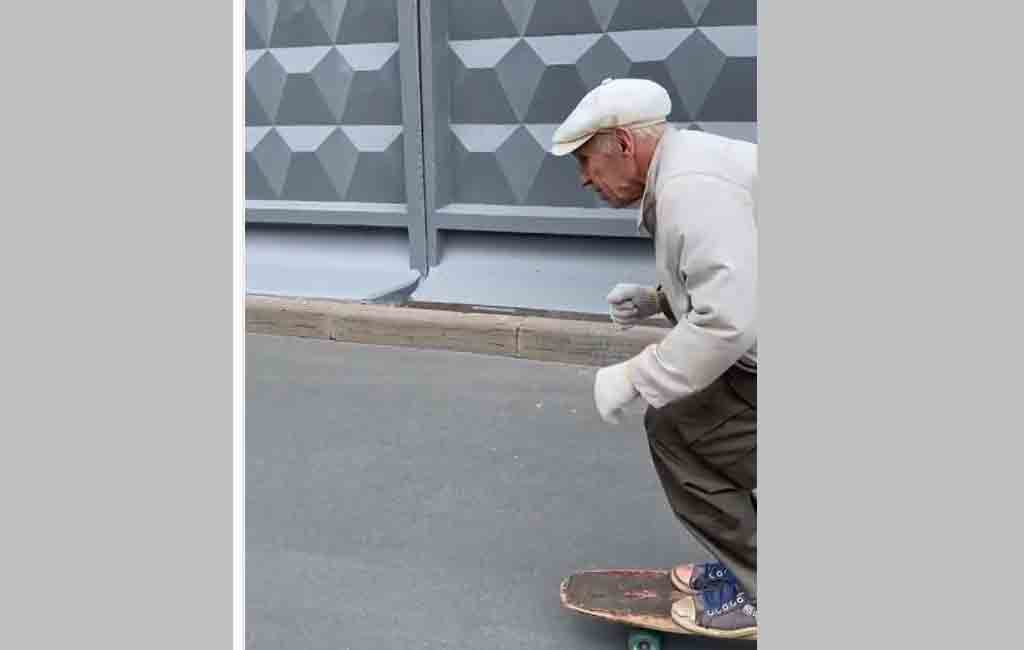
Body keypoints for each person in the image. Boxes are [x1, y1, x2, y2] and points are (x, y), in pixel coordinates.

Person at [550, 78, 758, 639]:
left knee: (687, 429)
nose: (584, 178)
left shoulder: (692, 188)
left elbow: (727, 320)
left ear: (623, 143)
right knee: (678, 426)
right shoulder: (687, 168)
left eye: (587, 160)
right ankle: (751, 563)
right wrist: (659, 300)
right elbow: (741, 274)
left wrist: (635, 376)